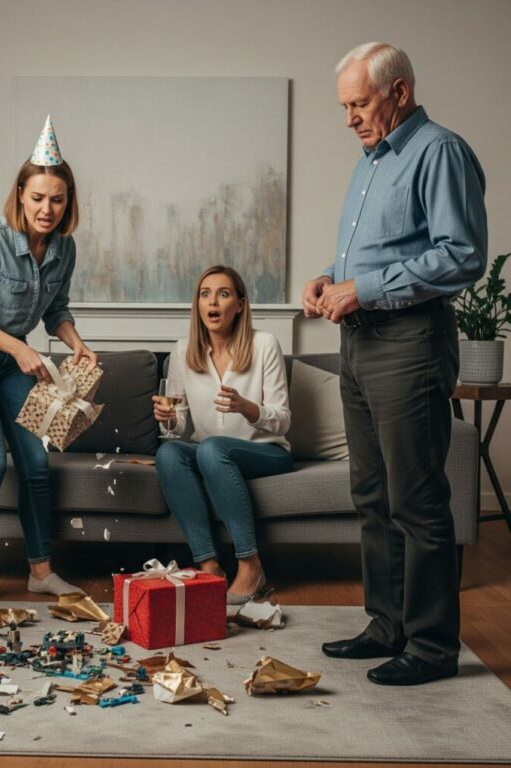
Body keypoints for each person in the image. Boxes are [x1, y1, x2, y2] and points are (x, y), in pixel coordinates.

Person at [302, 43, 487, 686]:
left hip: (409, 342)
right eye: (345, 106)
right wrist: (332, 279)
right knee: (372, 496)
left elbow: (463, 255)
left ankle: (433, 648)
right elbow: (375, 255)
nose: (350, 117)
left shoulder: (440, 151)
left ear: (399, 91)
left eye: (360, 103)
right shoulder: (370, 162)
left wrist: (368, 288)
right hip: (360, 342)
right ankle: (388, 626)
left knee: (417, 499)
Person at [0, 116, 97, 612]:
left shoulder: (64, 248)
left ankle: (41, 572)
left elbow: (55, 310)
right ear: (20, 196)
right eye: (38, 198)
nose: (47, 208)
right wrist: (20, 349)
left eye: (57, 198)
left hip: (11, 360)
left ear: (68, 200)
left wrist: (76, 342)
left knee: (35, 464)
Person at [154, 265, 292, 603]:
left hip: (267, 451)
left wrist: (247, 407)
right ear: (198, 306)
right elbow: (180, 427)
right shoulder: (183, 351)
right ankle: (210, 567)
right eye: (205, 294)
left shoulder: (264, 344)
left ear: (241, 304)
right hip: (208, 453)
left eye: (224, 293)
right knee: (169, 454)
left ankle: (251, 566)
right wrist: (169, 419)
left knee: (212, 449)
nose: (213, 301)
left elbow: (284, 420)